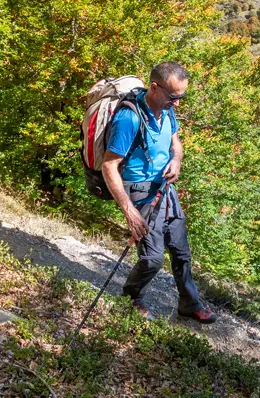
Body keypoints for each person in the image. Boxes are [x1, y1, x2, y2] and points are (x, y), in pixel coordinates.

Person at [100, 61, 216, 323]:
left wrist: (177, 160)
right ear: (155, 88)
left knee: (181, 252)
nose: (177, 103)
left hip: (165, 189)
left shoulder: (167, 111)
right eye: (173, 97)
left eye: (181, 97)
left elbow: (177, 144)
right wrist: (129, 211)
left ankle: (189, 303)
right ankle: (131, 296)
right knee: (152, 258)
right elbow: (109, 165)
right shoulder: (129, 119)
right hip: (140, 193)